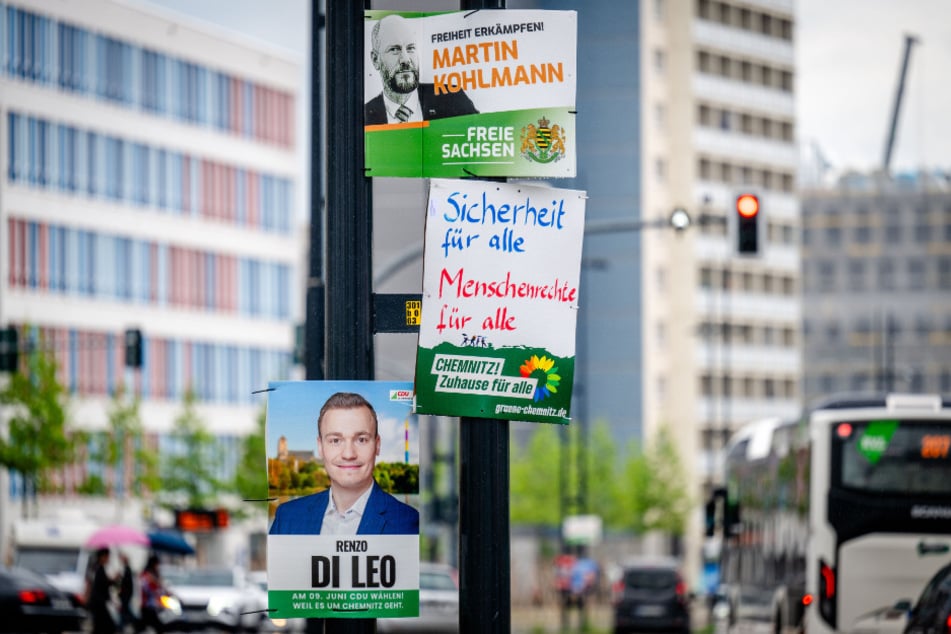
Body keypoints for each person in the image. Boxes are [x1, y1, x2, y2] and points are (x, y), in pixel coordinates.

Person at [268, 391, 419, 535]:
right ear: (320, 447)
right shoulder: (287, 518)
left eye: (361, 440)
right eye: (335, 440)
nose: (348, 454)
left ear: (377, 445)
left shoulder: (409, 523)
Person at [364, 14, 478, 125]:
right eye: (394, 49)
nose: (405, 59)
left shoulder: (453, 99)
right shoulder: (364, 116)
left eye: (410, 48)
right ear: (375, 60)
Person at [87, 547, 117, 634]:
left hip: (99, 603)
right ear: (102, 557)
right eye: (107, 556)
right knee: (109, 627)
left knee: (100, 628)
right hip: (98, 603)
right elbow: (100, 584)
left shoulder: (99, 568)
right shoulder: (97, 568)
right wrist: (112, 580)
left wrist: (112, 580)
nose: (108, 559)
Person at [139, 555, 167, 634]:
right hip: (147, 605)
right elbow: (147, 589)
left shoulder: (154, 575)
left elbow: (160, 589)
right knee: (158, 627)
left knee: (144, 626)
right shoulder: (146, 575)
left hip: (152, 605)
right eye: (157, 564)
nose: (158, 566)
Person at [117, 552, 136, 633]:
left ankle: (121, 626)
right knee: (125, 611)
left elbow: (127, 584)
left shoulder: (127, 570)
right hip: (125, 595)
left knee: (125, 612)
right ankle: (121, 626)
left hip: (126, 595)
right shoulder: (126, 570)